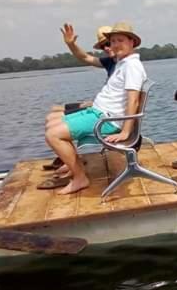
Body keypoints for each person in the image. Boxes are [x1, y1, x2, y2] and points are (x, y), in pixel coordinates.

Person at [41, 22, 147, 194]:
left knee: (53, 135)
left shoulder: (132, 66)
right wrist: (71, 44)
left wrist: (126, 132)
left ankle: (79, 178)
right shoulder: (122, 62)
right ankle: (75, 167)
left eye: (120, 40)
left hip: (106, 119)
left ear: (132, 42)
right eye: (112, 41)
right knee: (53, 125)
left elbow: (133, 101)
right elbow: (85, 58)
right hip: (97, 113)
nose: (114, 45)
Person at [44, 24, 117, 170]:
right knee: (52, 113)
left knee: (53, 120)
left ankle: (71, 162)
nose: (107, 48)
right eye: (103, 46)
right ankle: (69, 158)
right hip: (96, 107)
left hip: (103, 112)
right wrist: (71, 44)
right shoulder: (110, 63)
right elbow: (84, 57)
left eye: (109, 43)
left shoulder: (126, 65)